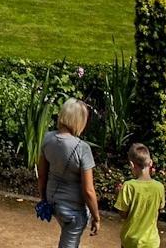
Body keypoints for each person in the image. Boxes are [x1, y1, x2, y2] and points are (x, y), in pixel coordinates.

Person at [38, 97, 102, 248]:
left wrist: (43, 199)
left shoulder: (47, 138)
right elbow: (88, 190)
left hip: (53, 203)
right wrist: (96, 217)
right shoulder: (82, 148)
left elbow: (42, 175)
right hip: (73, 210)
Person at [114, 143, 165, 248]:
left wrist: (118, 195)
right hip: (151, 241)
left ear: (132, 165)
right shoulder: (159, 187)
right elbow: (158, 210)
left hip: (130, 240)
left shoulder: (128, 186)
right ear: (150, 163)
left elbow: (123, 214)